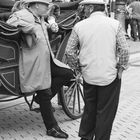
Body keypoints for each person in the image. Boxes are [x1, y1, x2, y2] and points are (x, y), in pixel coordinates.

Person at [7, 0, 74, 138]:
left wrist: (50, 27)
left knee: (67, 73)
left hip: (47, 59)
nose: (48, 7)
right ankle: (52, 127)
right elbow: (8, 27)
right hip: (34, 63)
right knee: (44, 91)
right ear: (36, 5)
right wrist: (27, 28)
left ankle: (41, 100)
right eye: (46, 5)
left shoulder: (38, 17)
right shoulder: (22, 15)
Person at [65, 0, 129, 140]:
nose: (84, 10)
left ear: (91, 7)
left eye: (85, 8)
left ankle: (86, 137)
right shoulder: (115, 24)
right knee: (106, 112)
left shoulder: (79, 26)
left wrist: (78, 68)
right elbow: (124, 49)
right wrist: (121, 67)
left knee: (89, 108)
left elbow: (69, 52)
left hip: (89, 74)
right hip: (110, 75)